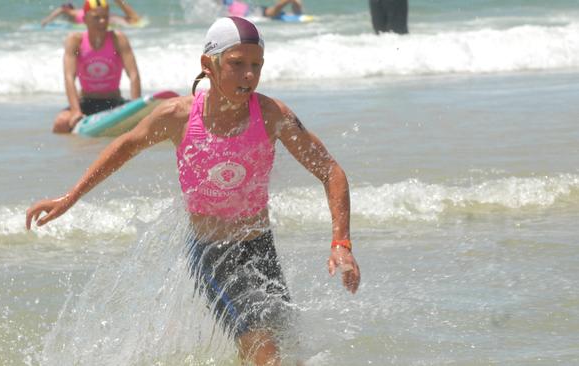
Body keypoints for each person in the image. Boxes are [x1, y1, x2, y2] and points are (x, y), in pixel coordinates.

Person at [26, 16, 360, 365]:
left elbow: (331, 171)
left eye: (256, 65)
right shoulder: (179, 116)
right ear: (208, 65)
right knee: (265, 351)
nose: (249, 74)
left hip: (261, 250)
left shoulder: (272, 114)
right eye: (237, 64)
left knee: (287, 349)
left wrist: (342, 243)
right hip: (213, 255)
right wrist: (71, 197)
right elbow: (125, 147)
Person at [52, 0, 141, 133]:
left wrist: (136, 108)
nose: (102, 21)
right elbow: (69, 77)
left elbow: (133, 75)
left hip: (114, 102)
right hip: (86, 102)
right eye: (96, 17)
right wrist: (76, 111)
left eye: (105, 17)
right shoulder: (76, 41)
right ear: (85, 18)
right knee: (60, 124)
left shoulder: (118, 39)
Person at [41, 0, 142, 28]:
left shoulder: (74, 13)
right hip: (95, 15)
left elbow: (61, 10)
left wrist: (47, 19)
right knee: (133, 20)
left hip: (91, 17)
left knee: (132, 20)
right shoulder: (77, 12)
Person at [220, 0, 303, 19]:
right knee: (277, 12)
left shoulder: (227, 3)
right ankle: (298, 12)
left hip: (254, 12)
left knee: (272, 13)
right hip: (253, 10)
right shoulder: (230, 2)